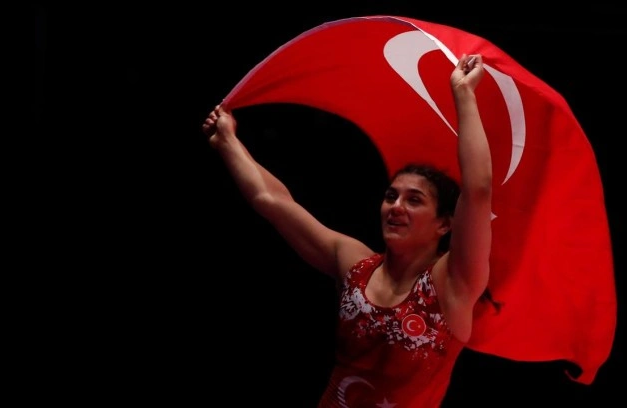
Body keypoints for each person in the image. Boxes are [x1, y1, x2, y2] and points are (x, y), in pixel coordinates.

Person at [202, 54, 492, 407]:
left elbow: (478, 190)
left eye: (414, 200)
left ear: (445, 224)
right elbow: (274, 201)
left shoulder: (453, 285)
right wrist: (228, 141)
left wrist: (463, 94)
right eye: (391, 196)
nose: (396, 207)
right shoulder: (354, 264)